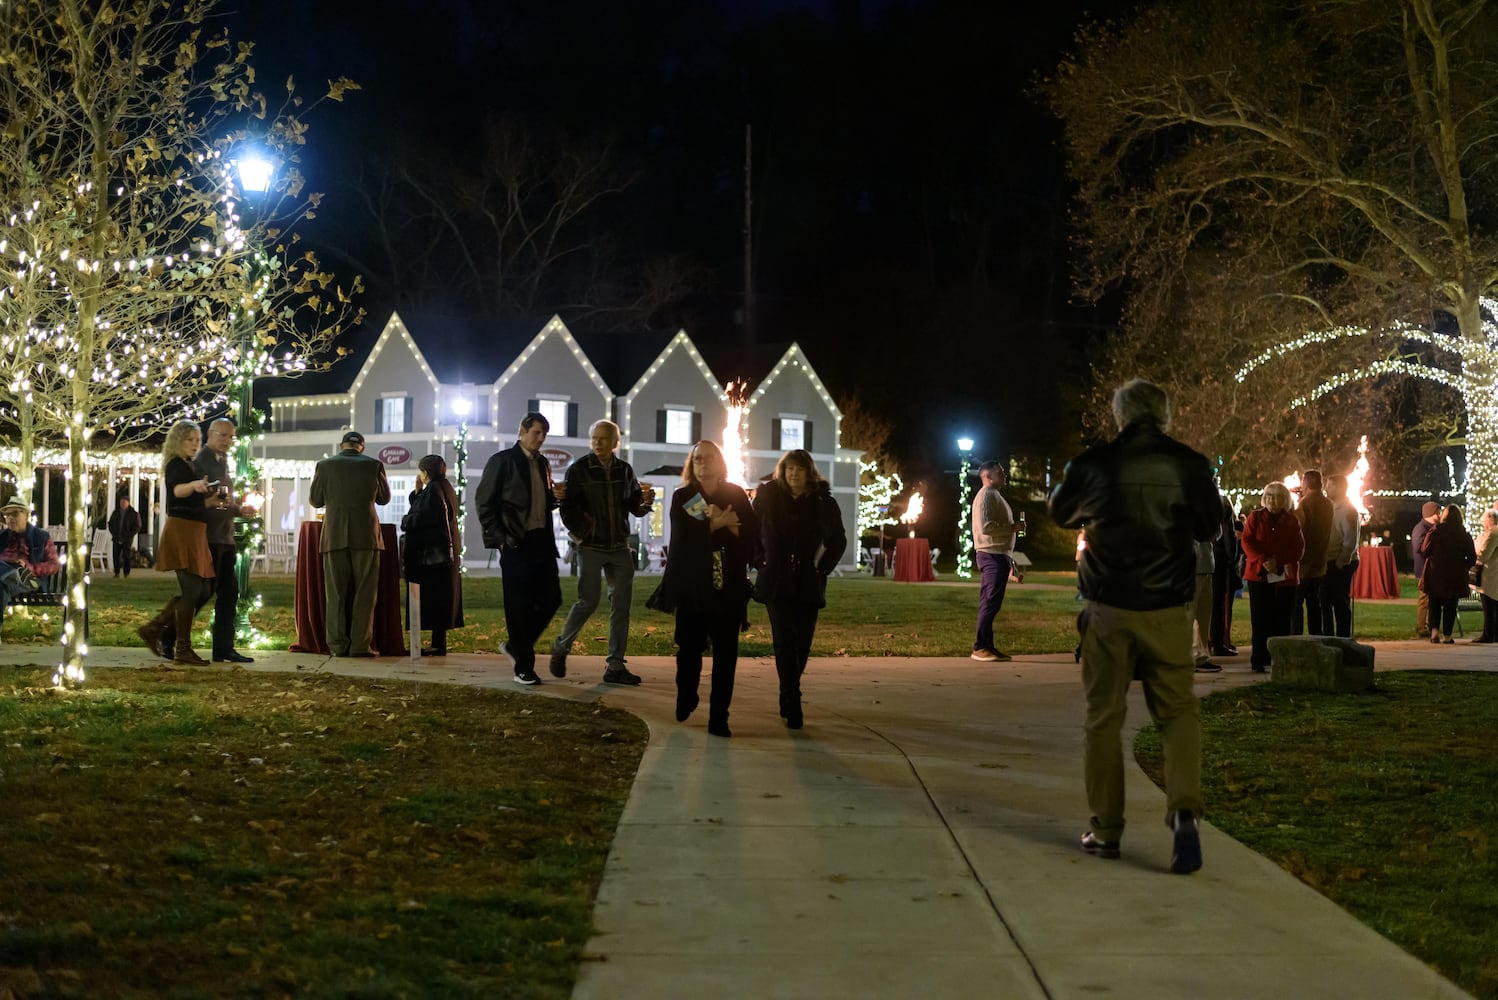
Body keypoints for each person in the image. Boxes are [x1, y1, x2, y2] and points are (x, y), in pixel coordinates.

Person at [1048, 379, 1220, 875]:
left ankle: (1106, 829)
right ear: (1164, 415)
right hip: (1167, 607)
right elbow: (1209, 527)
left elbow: (1060, 511)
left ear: (1120, 415)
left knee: (1103, 719)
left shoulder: (1095, 464)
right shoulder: (1189, 465)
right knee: (1179, 714)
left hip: (1110, 606)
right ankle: (1184, 809)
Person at [647, 440, 757, 738]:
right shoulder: (684, 495)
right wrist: (721, 522)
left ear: (719, 462)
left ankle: (719, 716)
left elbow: (748, 533)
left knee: (726, 654)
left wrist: (714, 524)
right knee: (689, 649)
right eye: (697, 458)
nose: (703, 463)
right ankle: (687, 695)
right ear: (691, 464)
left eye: (709, 457)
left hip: (728, 587)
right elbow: (684, 536)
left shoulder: (735, 493)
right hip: (692, 584)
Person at [550, 419, 655, 685]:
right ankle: (561, 647)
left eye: (603, 438)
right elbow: (567, 507)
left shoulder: (624, 470)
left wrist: (645, 504)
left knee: (621, 607)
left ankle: (615, 667)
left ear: (615, 443)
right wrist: (583, 532)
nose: (597, 442)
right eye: (594, 438)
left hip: (619, 546)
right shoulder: (579, 470)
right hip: (591, 546)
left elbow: (634, 506)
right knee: (588, 601)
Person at [753, 448, 847, 729]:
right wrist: (760, 561)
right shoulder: (768, 498)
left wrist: (822, 568)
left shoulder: (822, 502)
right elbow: (751, 533)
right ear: (783, 471)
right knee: (783, 640)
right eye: (789, 468)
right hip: (777, 580)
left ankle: (788, 691)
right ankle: (792, 700)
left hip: (808, 579)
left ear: (808, 472)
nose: (794, 473)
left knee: (802, 643)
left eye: (799, 469)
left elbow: (838, 540)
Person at [475, 411, 563, 685]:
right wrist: (500, 538)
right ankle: (523, 667)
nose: (540, 439)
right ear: (522, 431)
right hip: (516, 541)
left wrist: (556, 497)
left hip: (542, 541)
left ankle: (516, 646)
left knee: (552, 599)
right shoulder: (503, 461)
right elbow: (484, 502)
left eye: (544, 434)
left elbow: (541, 501)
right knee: (519, 606)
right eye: (536, 433)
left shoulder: (542, 464)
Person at [136, 420, 226, 665]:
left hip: (194, 529)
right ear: (178, 441)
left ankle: (155, 629)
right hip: (183, 531)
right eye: (191, 440)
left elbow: (192, 502)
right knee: (193, 591)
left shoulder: (187, 465)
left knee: (204, 589)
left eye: (198, 440)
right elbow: (177, 491)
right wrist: (194, 486)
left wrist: (211, 499)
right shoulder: (176, 464)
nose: (196, 445)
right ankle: (181, 648)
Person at [309, 430, 392, 657]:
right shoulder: (374, 465)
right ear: (361, 447)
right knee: (365, 593)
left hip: (334, 535)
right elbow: (384, 498)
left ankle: (337, 645)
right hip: (366, 536)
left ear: (342, 445)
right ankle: (360, 646)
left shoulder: (324, 466)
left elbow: (315, 500)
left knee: (335, 594)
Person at [186, 418, 256, 664]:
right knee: (204, 592)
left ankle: (223, 648)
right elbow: (198, 502)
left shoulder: (222, 461)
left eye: (231, 437)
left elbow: (223, 500)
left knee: (226, 592)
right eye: (223, 436)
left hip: (223, 537)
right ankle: (166, 633)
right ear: (211, 434)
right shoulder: (201, 462)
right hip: (208, 537)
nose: (227, 441)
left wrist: (239, 509)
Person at [401, 454, 464, 656]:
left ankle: (433, 645)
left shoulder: (434, 490)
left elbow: (423, 518)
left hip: (432, 557)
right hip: (445, 555)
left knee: (432, 598)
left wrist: (405, 521)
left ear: (426, 472)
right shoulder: (445, 487)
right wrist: (418, 493)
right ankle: (438, 643)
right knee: (441, 599)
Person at [1240, 481, 1305, 673]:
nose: (1272, 500)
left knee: (1282, 619)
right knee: (1260, 618)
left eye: (1276, 496)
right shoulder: (1255, 517)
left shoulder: (1292, 521)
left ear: (1284, 500)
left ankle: (1279, 659)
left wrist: (1278, 561)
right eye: (1269, 495)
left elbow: (1298, 548)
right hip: (1259, 575)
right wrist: (1263, 560)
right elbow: (1247, 541)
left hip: (1284, 577)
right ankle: (1258, 659)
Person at [970, 460, 1016, 662]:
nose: (1004, 474)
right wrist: (1013, 528)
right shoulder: (986, 496)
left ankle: (988, 645)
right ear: (987, 477)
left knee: (992, 602)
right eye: (1000, 472)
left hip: (998, 554)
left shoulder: (994, 495)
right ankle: (980, 647)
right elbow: (986, 527)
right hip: (991, 554)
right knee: (989, 602)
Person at [1419, 504, 1476, 644]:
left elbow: (1424, 550)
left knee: (1434, 603)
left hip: (1435, 573)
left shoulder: (1435, 531)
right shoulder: (1463, 533)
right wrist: (1463, 566)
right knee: (1451, 604)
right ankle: (1447, 636)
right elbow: (1472, 557)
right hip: (1455, 575)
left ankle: (1434, 633)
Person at [0, 500, 61, 621]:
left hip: (29, 580)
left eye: (15, 514)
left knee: (13, 572)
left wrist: (29, 568)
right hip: (5, 576)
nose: (10, 518)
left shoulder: (41, 536)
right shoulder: (2, 536)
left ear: (27, 515)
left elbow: (54, 564)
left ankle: (20, 573)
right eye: (7, 515)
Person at [1292, 469, 1333, 635]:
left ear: (1306, 483)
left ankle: (1296, 637)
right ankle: (1316, 636)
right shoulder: (1328, 503)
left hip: (1304, 564)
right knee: (1314, 603)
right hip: (1321, 561)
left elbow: (1299, 531)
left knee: (1296, 604)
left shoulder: (1305, 503)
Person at [1322, 474, 1361, 638]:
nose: (1326, 488)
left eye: (1330, 486)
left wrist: (1340, 562)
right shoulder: (1332, 507)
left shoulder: (1348, 510)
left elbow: (1350, 540)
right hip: (1330, 560)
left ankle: (1343, 637)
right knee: (1324, 601)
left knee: (1340, 602)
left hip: (1340, 563)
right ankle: (1328, 635)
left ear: (1339, 488)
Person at [1208, 495, 1241, 656]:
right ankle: (1218, 642)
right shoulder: (1225, 515)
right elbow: (1229, 539)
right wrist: (1232, 557)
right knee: (1219, 605)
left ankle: (1208, 641)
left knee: (1207, 606)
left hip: (1207, 562)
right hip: (1220, 564)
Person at [1411, 501, 1440, 636]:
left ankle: (1427, 625)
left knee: (1430, 598)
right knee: (1424, 598)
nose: (1440, 515)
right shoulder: (1421, 528)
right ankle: (1421, 627)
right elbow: (1419, 548)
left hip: (1431, 570)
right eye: (1438, 512)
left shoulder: (1431, 527)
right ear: (1432, 513)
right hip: (1424, 570)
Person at [1474, 510, 1498, 643]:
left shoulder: (1492, 534)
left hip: (1489, 576)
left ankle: (1488, 634)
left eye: (1483, 520)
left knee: (1488, 607)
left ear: (1489, 519)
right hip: (1494, 575)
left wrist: (1473, 553)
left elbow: (1483, 555)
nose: (1483, 523)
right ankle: (1495, 634)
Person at [107, 496, 141, 577]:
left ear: (128, 503)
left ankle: (126, 572)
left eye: (124, 502)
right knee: (115, 556)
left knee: (127, 556)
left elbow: (137, 526)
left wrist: (130, 535)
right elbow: (111, 523)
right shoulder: (116, 512)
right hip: (116, 537)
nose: (122, 504)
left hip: (127, 538)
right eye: (121, 502)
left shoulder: (133, 514)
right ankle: (117, 572)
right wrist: (114, 533)